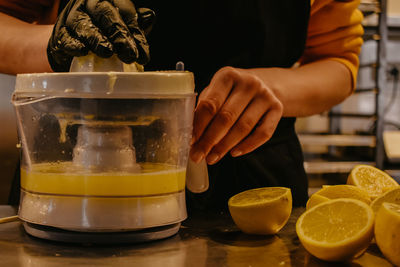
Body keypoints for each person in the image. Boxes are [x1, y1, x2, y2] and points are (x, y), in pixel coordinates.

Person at [1, 0, 364, 210]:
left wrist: (271, 88)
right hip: (76, 178)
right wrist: (56, 43)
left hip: (249, 182)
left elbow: (338, 62)